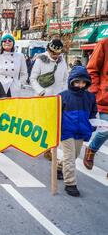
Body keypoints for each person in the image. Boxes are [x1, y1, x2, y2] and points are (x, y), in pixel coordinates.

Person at [57, 66, 97, 197]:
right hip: (66, 131)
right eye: (77, 82)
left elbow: (92, 113)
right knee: (70, 157)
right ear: (71, 81)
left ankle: (59, 167)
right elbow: (55, 113)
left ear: (87, 82)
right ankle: (70, 183)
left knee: (74, 155)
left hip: (81, 131)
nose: (80, 85)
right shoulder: (63, 96)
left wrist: (93, 123)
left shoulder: (90, 97)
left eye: (83, 82)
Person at [29, 39, 69, 161]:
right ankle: (42, 145)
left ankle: (49, 149)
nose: (56, 56)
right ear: (48, 50)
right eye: (53, 53)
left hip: (58, 98)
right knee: (43, 124)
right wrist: (41, 91)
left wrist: (65, 93)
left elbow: (65, 78)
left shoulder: (62, 61)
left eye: (58, 53)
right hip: (43, 97)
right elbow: (33, 78)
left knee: (54, 125)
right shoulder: (41, 60)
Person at [84, 37, 108, 171]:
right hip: (105, 97)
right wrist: (96, 91)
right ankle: (91, 149)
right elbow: (92, 69)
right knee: (106, 129)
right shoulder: (104, 44)